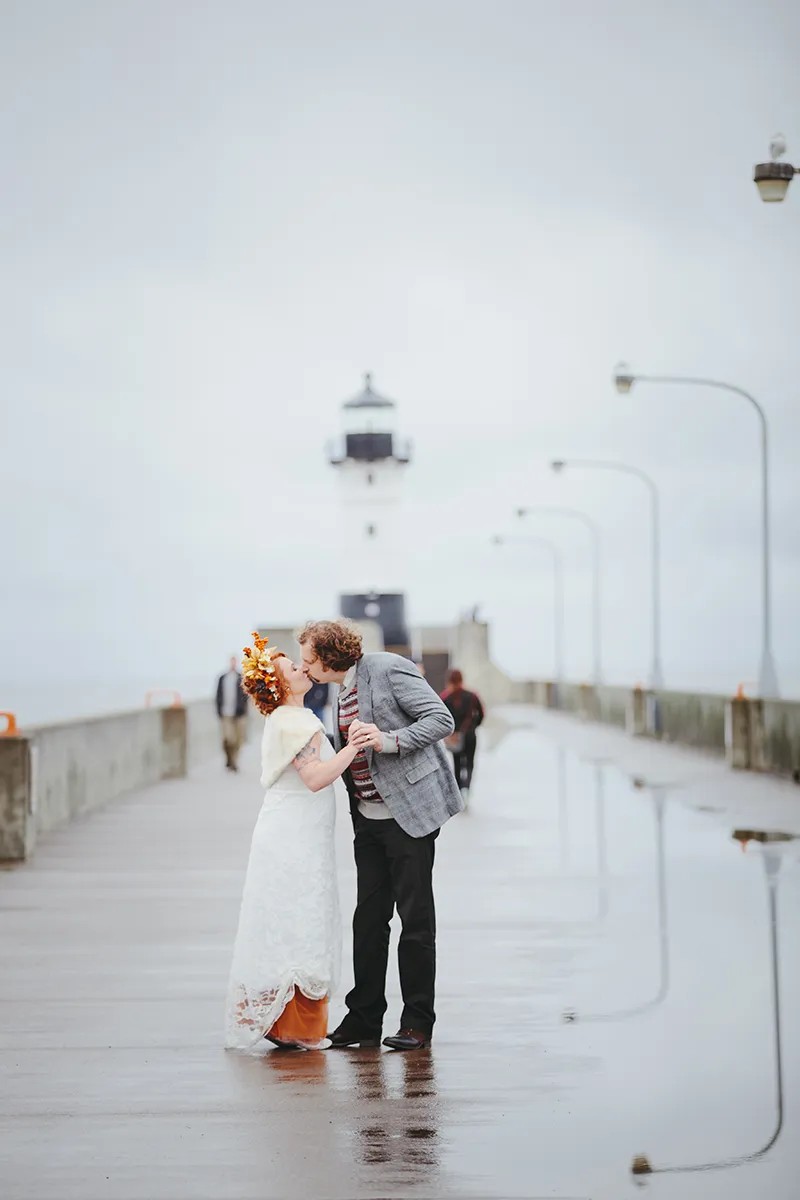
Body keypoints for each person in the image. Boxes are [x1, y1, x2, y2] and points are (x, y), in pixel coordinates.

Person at [298, 618, 463, 1051]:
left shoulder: (387, 668)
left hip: (409, 818)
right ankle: (364, 1020)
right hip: (368, 821)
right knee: (368, 921)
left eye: (308, 659)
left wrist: (388, 740)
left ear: (330, 655)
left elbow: (440, 719)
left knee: (415, 921)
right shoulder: (340, 689)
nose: (305, 668)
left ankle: (417, 1023)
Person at [224, 632, 372, 1053]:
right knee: (302, 914)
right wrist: (354, 749)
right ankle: (297, 1025)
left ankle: (280, 1018)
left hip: (289, 827)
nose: (303, 668)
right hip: (296, 834)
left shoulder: (286, 720)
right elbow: (314, 778)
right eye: (294, 667)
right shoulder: (298, 722)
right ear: (281, 683)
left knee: (285, 914)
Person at [440, 669, 484, 794]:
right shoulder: (472, 696)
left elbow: (440, 717)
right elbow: (481, 714)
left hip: (455, 736)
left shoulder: (445, 697)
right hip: (470, 735)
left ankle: (459, 789)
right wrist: (474, 726)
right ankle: (467, 788)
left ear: (449, 681)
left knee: (457, 762)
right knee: (470, 762)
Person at [216, 656, 248, 771]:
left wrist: (244, 710)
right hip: (226, 713)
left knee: (238, 740)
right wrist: (218, 711)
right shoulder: (222, 678)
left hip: (239, 714)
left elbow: (246, 696)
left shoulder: (241, 678)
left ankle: (234, 761)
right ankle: (229, 758)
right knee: (228, 739)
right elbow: (218, 695)